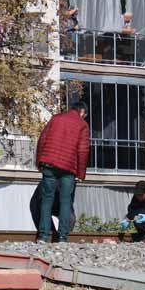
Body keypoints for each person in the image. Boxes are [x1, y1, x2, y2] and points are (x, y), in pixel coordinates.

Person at [35, 100, 90, 243]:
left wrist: (39, 162)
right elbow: (83, 150)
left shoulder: (56, 118)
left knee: (46, 200)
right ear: (82, 112)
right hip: (68, 168)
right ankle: (62, 237)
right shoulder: (82, 125)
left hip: (49, 163)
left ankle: (43, 236)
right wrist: (81, 174)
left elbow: (42, 139)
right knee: (65, 201)